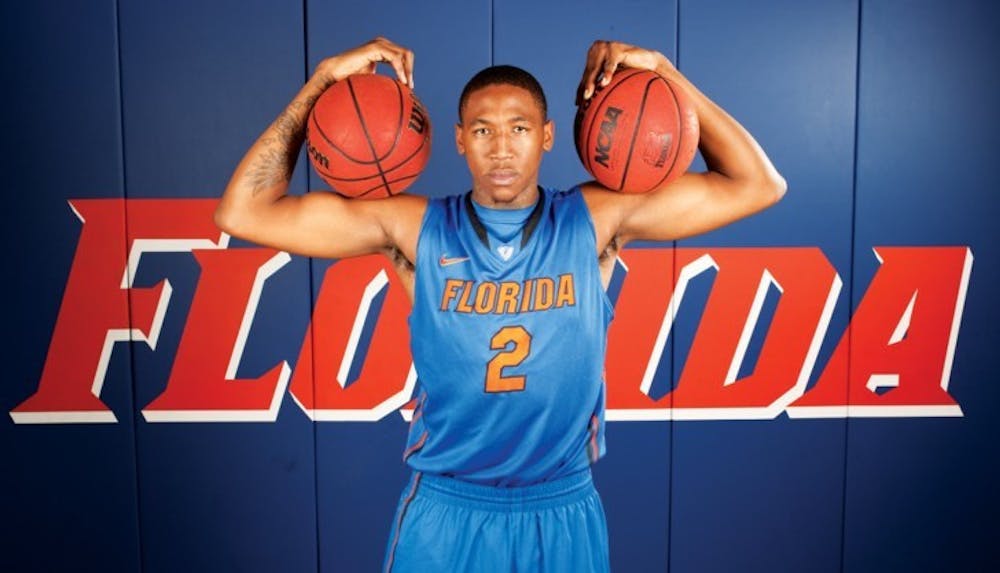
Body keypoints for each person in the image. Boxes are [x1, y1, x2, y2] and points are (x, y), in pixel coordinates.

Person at [216, 37, 785, 573]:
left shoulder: (597, 220)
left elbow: (757, 184)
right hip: (448, 509)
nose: (502, 147)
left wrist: (663, 71)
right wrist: (321, 83)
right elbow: (243, 212)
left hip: (562, 507)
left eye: (519, 127)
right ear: (460, 138)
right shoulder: (413, 228)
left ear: (547, 136)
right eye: (484, 130)